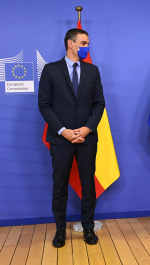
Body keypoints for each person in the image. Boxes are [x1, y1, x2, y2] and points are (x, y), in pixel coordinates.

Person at [38, 28, 105, 247]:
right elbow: (44, 105)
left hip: (87, 138)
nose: (87, 47)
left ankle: (88, 228)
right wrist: (63, 131)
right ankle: (59, 232)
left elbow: (99, 104)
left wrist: (86, 128)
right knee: (59, 186)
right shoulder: (50, 70)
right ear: (71, 43)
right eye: (84, 43)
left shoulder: (92, 70)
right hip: (60, 139)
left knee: (88, 185)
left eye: (87, 43)